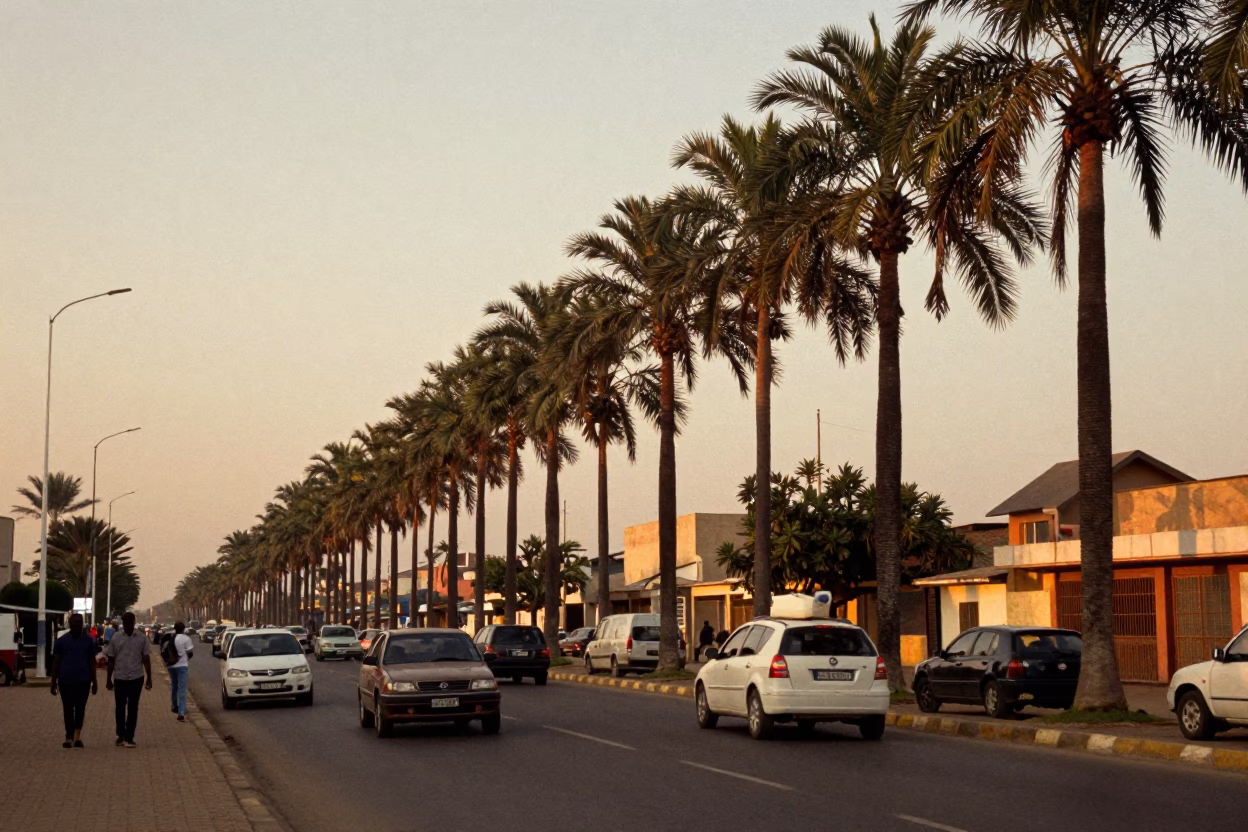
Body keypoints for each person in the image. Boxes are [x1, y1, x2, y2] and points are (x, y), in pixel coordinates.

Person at [50, 613, 99, 749]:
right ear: (70, 624)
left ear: (82, 624)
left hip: (83, 680)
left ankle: (77, 737)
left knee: (80, 708)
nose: (77, 625)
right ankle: (68, 736)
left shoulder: (89, 641)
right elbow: (56, 663)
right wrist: (53, 682)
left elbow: (92, 662)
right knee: (67, 709)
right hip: (66, 680)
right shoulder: (61, 641)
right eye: (74, 623)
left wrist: (94, 681)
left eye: (79, 623)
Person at [105, 612, 152, 748]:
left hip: (136, 677)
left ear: (134, 622)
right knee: (119, 707)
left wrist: (149, 678)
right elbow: (111, 660)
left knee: (133, 707)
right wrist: (108, 679)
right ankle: (121, 734)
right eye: (126, 624)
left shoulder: (142, 638)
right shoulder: (116, 637)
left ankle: (130, 736)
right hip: (120, 677)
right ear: (123, 624)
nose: (128, 626)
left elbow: (146, 659)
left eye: (130, 623)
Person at [165, 621, 194, 721]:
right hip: (182, 666)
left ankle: (174, 706)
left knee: (174, 686)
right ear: (183, 628)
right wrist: (185, 657)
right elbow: (190, 652)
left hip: (171, 666)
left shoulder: (171, 638)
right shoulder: (186, 638)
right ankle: (181, 712)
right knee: (182, 689)